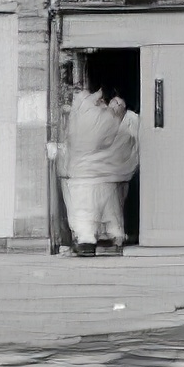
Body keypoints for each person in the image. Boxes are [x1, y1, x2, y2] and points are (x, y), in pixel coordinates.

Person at [58, 85, 138, 258]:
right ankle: (112, 236)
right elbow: (122, 140)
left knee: (85, 211)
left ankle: (87, 239)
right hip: (104, 174)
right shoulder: (108, 117)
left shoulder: (82, 116)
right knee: (110, 209)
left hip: (83, 174)